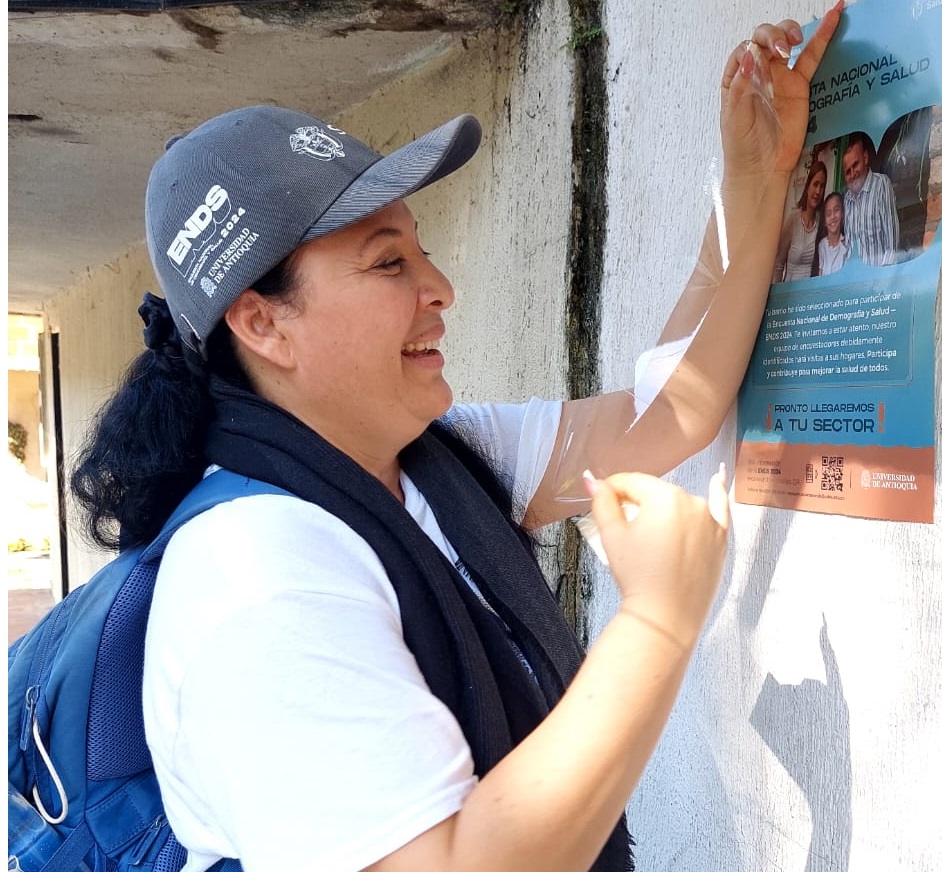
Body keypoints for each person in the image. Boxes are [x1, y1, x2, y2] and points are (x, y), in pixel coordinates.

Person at [68, 7, 843, 872]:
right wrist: (657, 622)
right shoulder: (258, 577)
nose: (439, 288)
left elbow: (670, 414)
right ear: (262, 323)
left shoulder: (437, 462)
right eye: (387, 262)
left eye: (420, 251)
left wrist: (758, 179)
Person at [840, 130, 899, 267]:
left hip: (877, 282)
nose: (853, 173)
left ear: (865, 158)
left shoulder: (881, 184)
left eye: (855, 165)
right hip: (853, 282)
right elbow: (847, 248)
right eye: (848, 171)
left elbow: (892, 245)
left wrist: (880, 281)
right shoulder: (847, 199)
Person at [774, 160, 827, 282]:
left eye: (822, 186)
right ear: (808, 186)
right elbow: (778, 265)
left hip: (810, 295)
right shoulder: (793, 219)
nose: (818, 191)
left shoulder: (822, 223)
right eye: (815, 184)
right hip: (789, 294)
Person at [816, 190, 849, 276]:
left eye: (836, 210)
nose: (833, 216)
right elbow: (821, 274)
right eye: (828, 213)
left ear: (842, 214)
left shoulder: (847, 245)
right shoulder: (822, 245)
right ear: (824, 221)